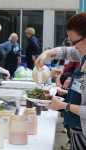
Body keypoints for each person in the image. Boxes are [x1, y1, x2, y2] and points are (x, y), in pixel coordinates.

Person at [35, 13, 86, 149]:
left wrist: (65, 106)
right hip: (77, 129)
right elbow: (65, 51)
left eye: (74, 42)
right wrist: (46, 54)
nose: (73, 47)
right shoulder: (83, 55)